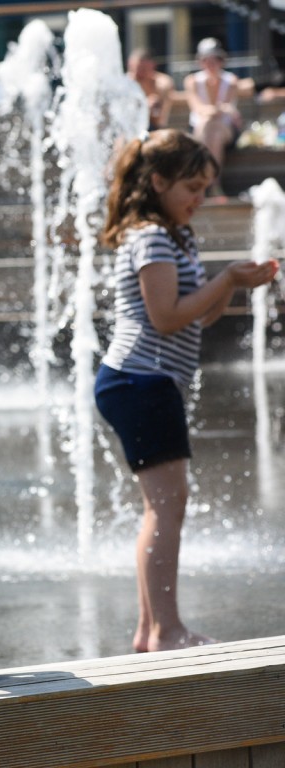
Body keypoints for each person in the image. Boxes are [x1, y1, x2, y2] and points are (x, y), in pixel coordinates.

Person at [95, 129, 278, 652]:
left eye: (203, 188)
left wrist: (233, 284)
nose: (199, 198)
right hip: (139, 378)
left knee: (165, 504)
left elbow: (200, 312)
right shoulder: (151, 236)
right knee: (167, 505)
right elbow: (167, 317)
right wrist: (224, 281)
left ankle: (149, 629)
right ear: (157, 182)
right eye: (190, 187)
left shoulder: (176, 235)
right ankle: (165, 629)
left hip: (146, 380)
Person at [183, 38, 242, 197]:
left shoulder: (230, 80)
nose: (210, 64)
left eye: (214, 59)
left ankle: (204, 182)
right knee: (211, 130)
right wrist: (217, 110)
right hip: (206, 129)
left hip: (220, 130)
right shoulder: (192, 80)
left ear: (221, 61)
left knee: (211, 129)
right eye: (205, 60)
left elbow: (222, 109)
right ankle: (214, 183)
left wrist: (213, 111)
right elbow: (198, 108)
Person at [127, 48, 176, 131]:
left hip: (154, 127)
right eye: (137, 68)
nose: (140, 72)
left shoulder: (160, 83)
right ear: (130, 65)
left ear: (152, 66)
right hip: (131, 127)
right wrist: (145, 104)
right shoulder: (126, 83)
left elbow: (159, 119)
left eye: (144, 69)